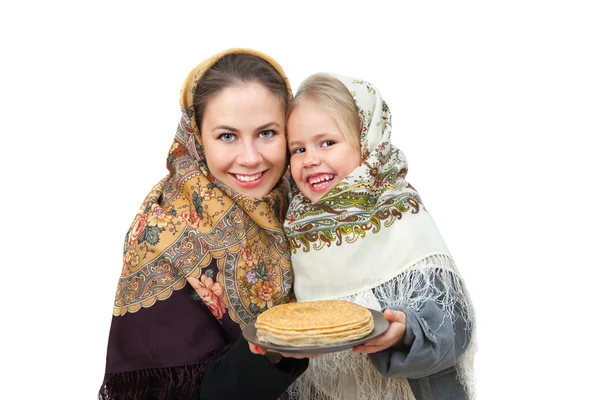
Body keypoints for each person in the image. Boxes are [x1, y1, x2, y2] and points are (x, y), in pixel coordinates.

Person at [98, 48, 309, 400]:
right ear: (197, 137)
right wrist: (272, 351)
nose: (251, 157)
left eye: (267, 133)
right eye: (227, 136)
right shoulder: (163, 233)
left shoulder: (305, 201)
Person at [280, 73, 476, 399]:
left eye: (327, 142)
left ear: (368, 142)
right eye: (298, 149)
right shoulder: (296, 226)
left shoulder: (400, 213)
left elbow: (456, 324)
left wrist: (407, 333)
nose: (310, 159)